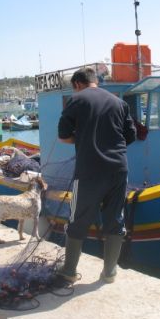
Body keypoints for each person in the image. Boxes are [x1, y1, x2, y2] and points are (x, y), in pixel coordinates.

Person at [57, 67, 136, 283]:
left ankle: (69, 272)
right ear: (95, 82)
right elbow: (130, 136)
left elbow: (63, 136)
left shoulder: (77, 100)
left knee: (78, 220)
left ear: (77, 85)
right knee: (115, 220)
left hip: (89, 171)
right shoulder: (119, 103)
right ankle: (109, 273)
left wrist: (81, 138)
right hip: (119, 169)